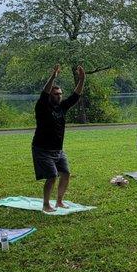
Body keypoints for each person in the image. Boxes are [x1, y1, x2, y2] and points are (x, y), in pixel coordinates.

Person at [32, 64, 85, 213]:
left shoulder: (61, 107)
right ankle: (46, 204)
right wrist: (53, 77)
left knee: (66, 173)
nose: (59, 96)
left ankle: (60, 201)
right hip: (42, 149)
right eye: (56, 94)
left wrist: (82, 79)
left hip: (58, 150)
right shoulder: (42, 106)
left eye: (60, 93)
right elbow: (44, 93)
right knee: (52, 176)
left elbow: (75, 96)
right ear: (50, 95)